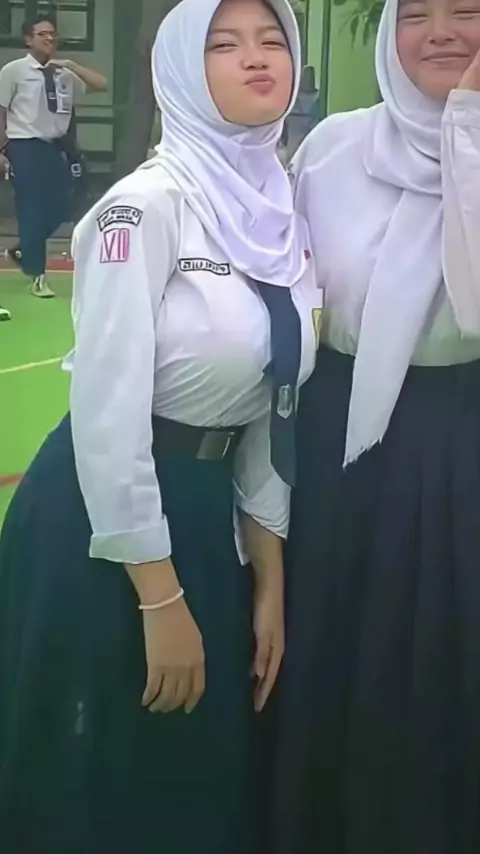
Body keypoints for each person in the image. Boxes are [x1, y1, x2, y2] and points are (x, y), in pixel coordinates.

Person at [0, 0, 321, 852]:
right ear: (181, 70)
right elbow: (107, 410)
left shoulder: (277, 214)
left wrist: (269, 585)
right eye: (224, 44)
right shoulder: (142, 208)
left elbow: (271, 403)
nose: (257, 57)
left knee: (193, 768)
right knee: (101, 769)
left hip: (208, 516)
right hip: (109, 525)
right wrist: (161, 598)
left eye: (272, 40)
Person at [268, 0, 480, 852]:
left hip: (457, 439)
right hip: (336, 433)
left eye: (466, 11)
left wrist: (467, 129)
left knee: (434, 656)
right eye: (415, 15)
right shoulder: (335, 147)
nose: (441, 32)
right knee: (328, 636)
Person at [0, 14, 107, 299]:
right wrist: (1, 151)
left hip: (55, 146)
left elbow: (102, 84)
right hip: (24, 145)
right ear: (28, 39)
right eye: (43, 34)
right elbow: (1, 111)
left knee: (67, 203)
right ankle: (37, 275)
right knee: (32, 207)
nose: (50, 39)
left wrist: (71, 65)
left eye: (52, 34)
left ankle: (24, 249)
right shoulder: (14, 71)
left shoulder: (63, 73)